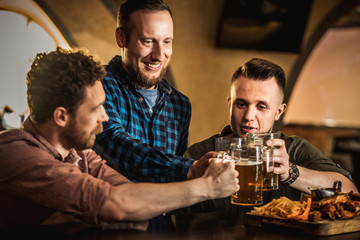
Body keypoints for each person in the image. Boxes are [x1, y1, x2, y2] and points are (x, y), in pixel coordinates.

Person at [0, 48, 239, 229]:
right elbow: (119, 205)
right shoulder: (15, 153)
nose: (104, 117)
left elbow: (131, 200)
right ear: (61, 116)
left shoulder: (80, 153)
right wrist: (208, 187)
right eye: (95, 109)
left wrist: (107, 210)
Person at [184, 58, 358, 211]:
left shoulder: (294, 149)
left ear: (279, 112)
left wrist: (291, 173)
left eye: (261, 106)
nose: (248, 116)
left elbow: (351, 191)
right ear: (230, 104)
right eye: (242, 104)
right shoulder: (200, 154)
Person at [95, 0, 209, 183]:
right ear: (121, 38)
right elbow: (116, 144)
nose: (159, 54)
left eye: (166, 41)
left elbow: (176, 180)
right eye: (148, 41)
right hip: (110, 209)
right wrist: (190, 168)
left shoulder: (180, 104)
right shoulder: (96, 83)